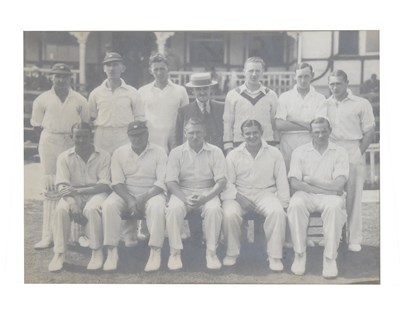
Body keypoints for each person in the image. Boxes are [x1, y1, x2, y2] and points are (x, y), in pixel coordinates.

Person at [30, 63, 90, 249]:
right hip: (49, 141)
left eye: (64, 76)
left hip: (72, 142)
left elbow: (86, 125)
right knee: (51, 187)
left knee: (72, 185)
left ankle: (76, 235)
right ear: (52, 78)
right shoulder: (42, 99)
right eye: (57, 76)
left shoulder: (80, 99)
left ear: (70, 79)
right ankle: (48, 235)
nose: (61, 80)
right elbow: (36, 126)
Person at [316, 70, 375, 252]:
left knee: (354, 196)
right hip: (332, 151)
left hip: (352, 149)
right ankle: (332, 237)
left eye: (338, 84)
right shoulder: (324, 104)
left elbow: (369, 131)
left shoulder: (361, 103)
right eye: (331, 84)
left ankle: (354, 239)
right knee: (332, 196)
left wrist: (358, 152)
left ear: (347, 83)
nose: (334, 87)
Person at [221, 120, 290, 271]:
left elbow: (281, 180)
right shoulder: (233, 155)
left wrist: (284, 205)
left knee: (277, 212)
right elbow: (227, 183)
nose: (252, 136)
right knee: (229, 214)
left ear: (261, 133)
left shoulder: (274, 153)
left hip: (266, 193)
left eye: (255, 133)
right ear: (242, 135)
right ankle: (232, 253)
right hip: (239, 194)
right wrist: (240, 198)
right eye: (248, 133)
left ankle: (275, 256)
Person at [101, 121, 167, 272]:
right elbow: (117, 182)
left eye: (140, 135)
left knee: (157, 206)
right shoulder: (119, 152)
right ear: (128, 136)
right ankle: (112, 251)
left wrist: (142, 199)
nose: (137, 139)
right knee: (108, 205)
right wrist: (131, 200)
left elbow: (161, 181)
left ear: (147, 134)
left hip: (151, 193)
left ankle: (155, 251)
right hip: (126, 194)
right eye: (133, 136)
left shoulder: (159, 151)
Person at [287, 117, 349, 278]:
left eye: (324, 131)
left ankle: (329, 258)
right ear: (310, 133)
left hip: (329, 198)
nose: (320, 135)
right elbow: (294, 183)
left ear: (330, 131)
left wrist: (312, 180)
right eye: (316, 132)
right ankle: (299, 254)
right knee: (295, 204)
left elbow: (339, 185)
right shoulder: (299, 151)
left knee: (335, 206)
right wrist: (326, 190)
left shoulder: (340, 152)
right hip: (306, 194)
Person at [48, 122, 111, 272]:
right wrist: (72, 203)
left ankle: (96, 251)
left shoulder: (104, 155)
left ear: (91, 136)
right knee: (61, 210)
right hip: (72, 195)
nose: (81, 140)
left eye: (85, 136)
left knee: (91, 209)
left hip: (96, 193)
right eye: (78, 137)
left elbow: (104, 185)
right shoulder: (63, 157)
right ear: (72, 137)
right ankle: (59, 253)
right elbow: (62, 185)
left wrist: (80, 193)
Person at [165, 118, 227, 270]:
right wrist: (185, 198)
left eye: (198, 132)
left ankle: (211, 253)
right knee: (173, 209)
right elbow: (171, 182)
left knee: (214, 209)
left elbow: (221, 181)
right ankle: (175, 253)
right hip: (183, 191)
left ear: (204, 133)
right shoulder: (176, 152)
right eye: (191, 132)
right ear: (185, 133)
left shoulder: (215, 151)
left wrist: (205, 198)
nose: (195, 136)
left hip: (208, 191)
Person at [88, 52, 145, 154]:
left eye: (115, 65)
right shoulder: (96, 93)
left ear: (122, 68)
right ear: (104, 69)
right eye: (108, 65)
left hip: (124, 135)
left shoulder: (132, 92)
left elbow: (139, 119)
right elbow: (91, 117)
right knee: (102, 167)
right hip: (102, 136)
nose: (111, 68)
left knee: (124, 166)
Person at [223, 56, 279, 155]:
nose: (254, 74)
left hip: (266, 145)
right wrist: (228, 147)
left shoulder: (271, 95)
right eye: (250, 71)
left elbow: (274, 124)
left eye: (257, 71)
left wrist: (277, 144)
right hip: (239, 145)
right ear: (244, 71)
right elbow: (228, 124)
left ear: (262, 72)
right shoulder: (232, 95)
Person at [275, 63, 326, 170]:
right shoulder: (285, 97)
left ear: (312, 75)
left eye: (306, 76)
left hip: (311, 143)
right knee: (290, 180)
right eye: (300, 76)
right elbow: (279, 124)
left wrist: (292, 120)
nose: (303, 80)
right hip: (288, 144)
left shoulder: (320, 98)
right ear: (294, 76)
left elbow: (319, 126)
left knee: (309, 179)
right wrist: (308, 125)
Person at [139, 52, 189, 153]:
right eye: (156, 69)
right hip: (151, 141)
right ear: (150, 71)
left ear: (168, 69)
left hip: (173, 142)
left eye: (162, 69)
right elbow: (139, 118)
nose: (159, 73)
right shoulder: (142, 91)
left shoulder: (180, 91)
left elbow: (186, 119)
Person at [176, 72, 224, 150]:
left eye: (205, 88)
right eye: (198, 89)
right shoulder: (184, 111)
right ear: (192, 91)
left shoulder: (222, 108)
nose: (202, 92)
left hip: (217, 156)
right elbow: (178, 139)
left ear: (210, 89)